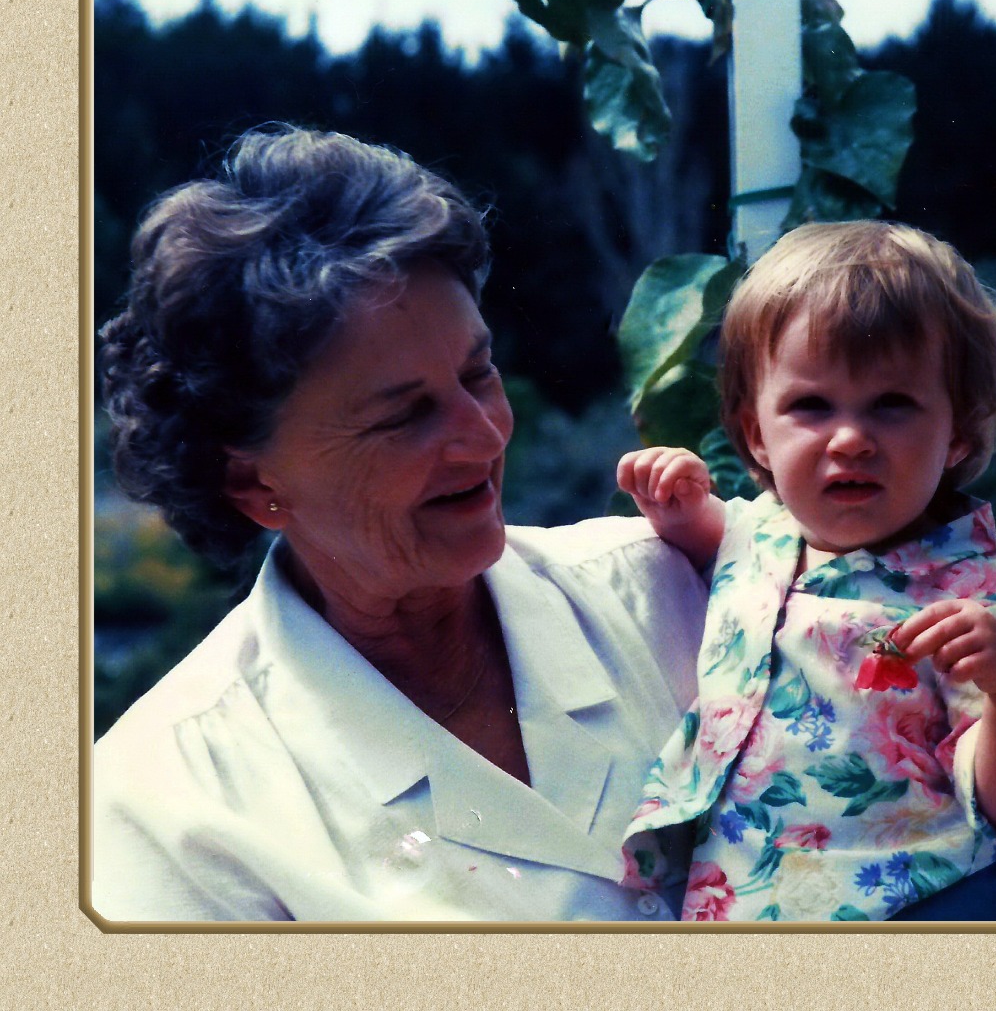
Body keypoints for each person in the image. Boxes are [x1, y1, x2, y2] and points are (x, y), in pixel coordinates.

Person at [92, 126, 708, 922]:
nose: (483, 437)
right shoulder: (168, 807)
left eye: (477, 372)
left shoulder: (674, 587)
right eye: (403, 416)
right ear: (249, 479)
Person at [614, 221, 996, 921]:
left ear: (957, 429)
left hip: (911, 908)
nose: (850, 439)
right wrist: (679, 507)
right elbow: (723, 544)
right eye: (810, 406)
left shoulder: (979, 599)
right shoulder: (764, 531)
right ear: (755, 436)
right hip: (748, 898)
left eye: (891, 405)